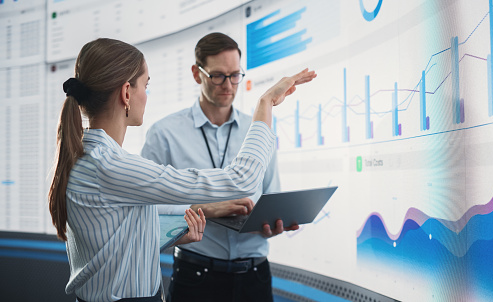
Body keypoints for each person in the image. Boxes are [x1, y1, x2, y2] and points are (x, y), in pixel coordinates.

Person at [48, 37, 316, 302]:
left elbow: (117, 240)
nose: (146, 95)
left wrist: (177, 230)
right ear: (126, 93)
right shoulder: (110, 165)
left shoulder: (91, 157)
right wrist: (265, 104)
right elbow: (242, 180)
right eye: (146, 85)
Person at [141, 32, 298, 302]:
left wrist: (271, 224)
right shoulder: (164, 134)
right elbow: (144, 210)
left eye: (235, 75)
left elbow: (271, 194)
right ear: (196, 73)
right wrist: (205, 210)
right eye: (218, 75)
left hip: (255, 276)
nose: (228, 85)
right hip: (196, 276)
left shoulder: (259, 130)